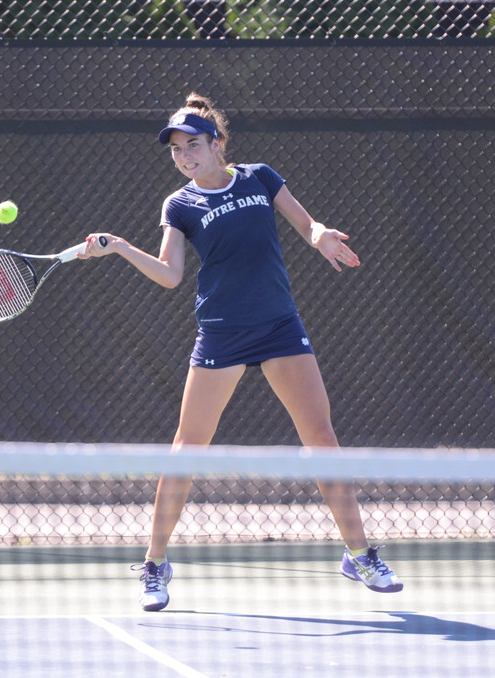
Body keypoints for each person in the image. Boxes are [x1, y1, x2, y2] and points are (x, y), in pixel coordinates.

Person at [80, 94, 402, 612]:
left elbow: (306, 224)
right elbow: (170, 274)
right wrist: (119, 246)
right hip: (221, 334)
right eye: (176, 149)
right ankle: (155, 563)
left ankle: (360, 554)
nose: (184, 156)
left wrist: (321, 237)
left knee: (322, 439)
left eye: (193, 145)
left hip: (279, 326)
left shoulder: (259, 177)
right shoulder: (179, 205)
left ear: (217, 143)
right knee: (187, 448)